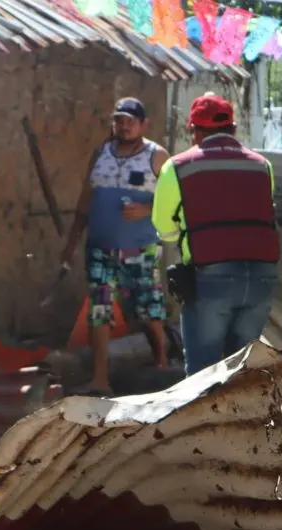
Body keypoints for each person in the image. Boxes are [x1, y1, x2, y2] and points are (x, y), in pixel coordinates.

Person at [151, 95, 279, 377]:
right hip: (262, 278)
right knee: (242, 371)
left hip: (211, 278)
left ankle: (208, 408)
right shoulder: (262, 165)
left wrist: (183, 235)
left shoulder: (178, 166)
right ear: (233, 129)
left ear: (195, 132)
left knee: (203, 374)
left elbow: (164, 227)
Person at [62, 97, 170, 397]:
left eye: (131, 121)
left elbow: (177, 200)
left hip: (141, 249)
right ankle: (100, 379)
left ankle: (163, 365)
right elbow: (85, 199)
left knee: (149, 310)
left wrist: (146, 210)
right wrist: (71, 242)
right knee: (99, 311)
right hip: (100, 248)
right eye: (119, 120)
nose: (124, 126)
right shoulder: (101, 154)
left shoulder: (157, 156)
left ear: (144, 124)